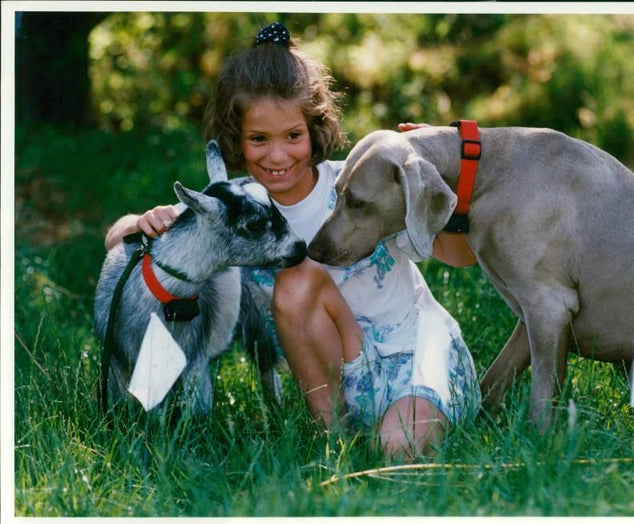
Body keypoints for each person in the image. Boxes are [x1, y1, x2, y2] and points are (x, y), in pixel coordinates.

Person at [104, 22, 480, 460]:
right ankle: (332, 443)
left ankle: (406, 421)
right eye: (259, 139)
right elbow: (116, 240)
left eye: (293, 137)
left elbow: (462, 257)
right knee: (297, 279)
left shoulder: (358, 183)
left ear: (314, 129)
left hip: (417, 356)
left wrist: (442, 178)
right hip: (331, 380)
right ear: (237, 139)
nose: (278, 156)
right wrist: (143, 221)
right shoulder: (232, 209)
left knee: (398, 450)